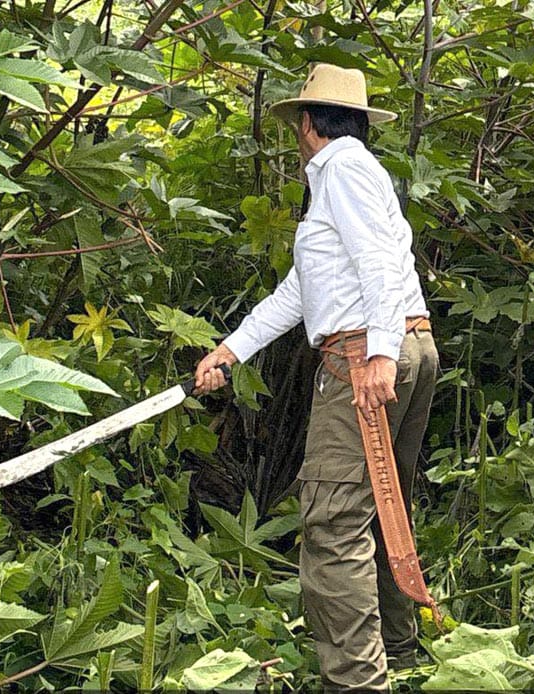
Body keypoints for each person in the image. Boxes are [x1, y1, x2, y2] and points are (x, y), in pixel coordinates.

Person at [194, 63, 439, 692]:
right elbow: (302, 291)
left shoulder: (344, 170)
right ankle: (398, 652)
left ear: (306, 123)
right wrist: (230, 351)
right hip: (400, 343)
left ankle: (357, 681)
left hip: (367, 355)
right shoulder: (347, 176)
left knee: (333, 521)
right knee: (379, 506)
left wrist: (378, 353)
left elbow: (379, 262)